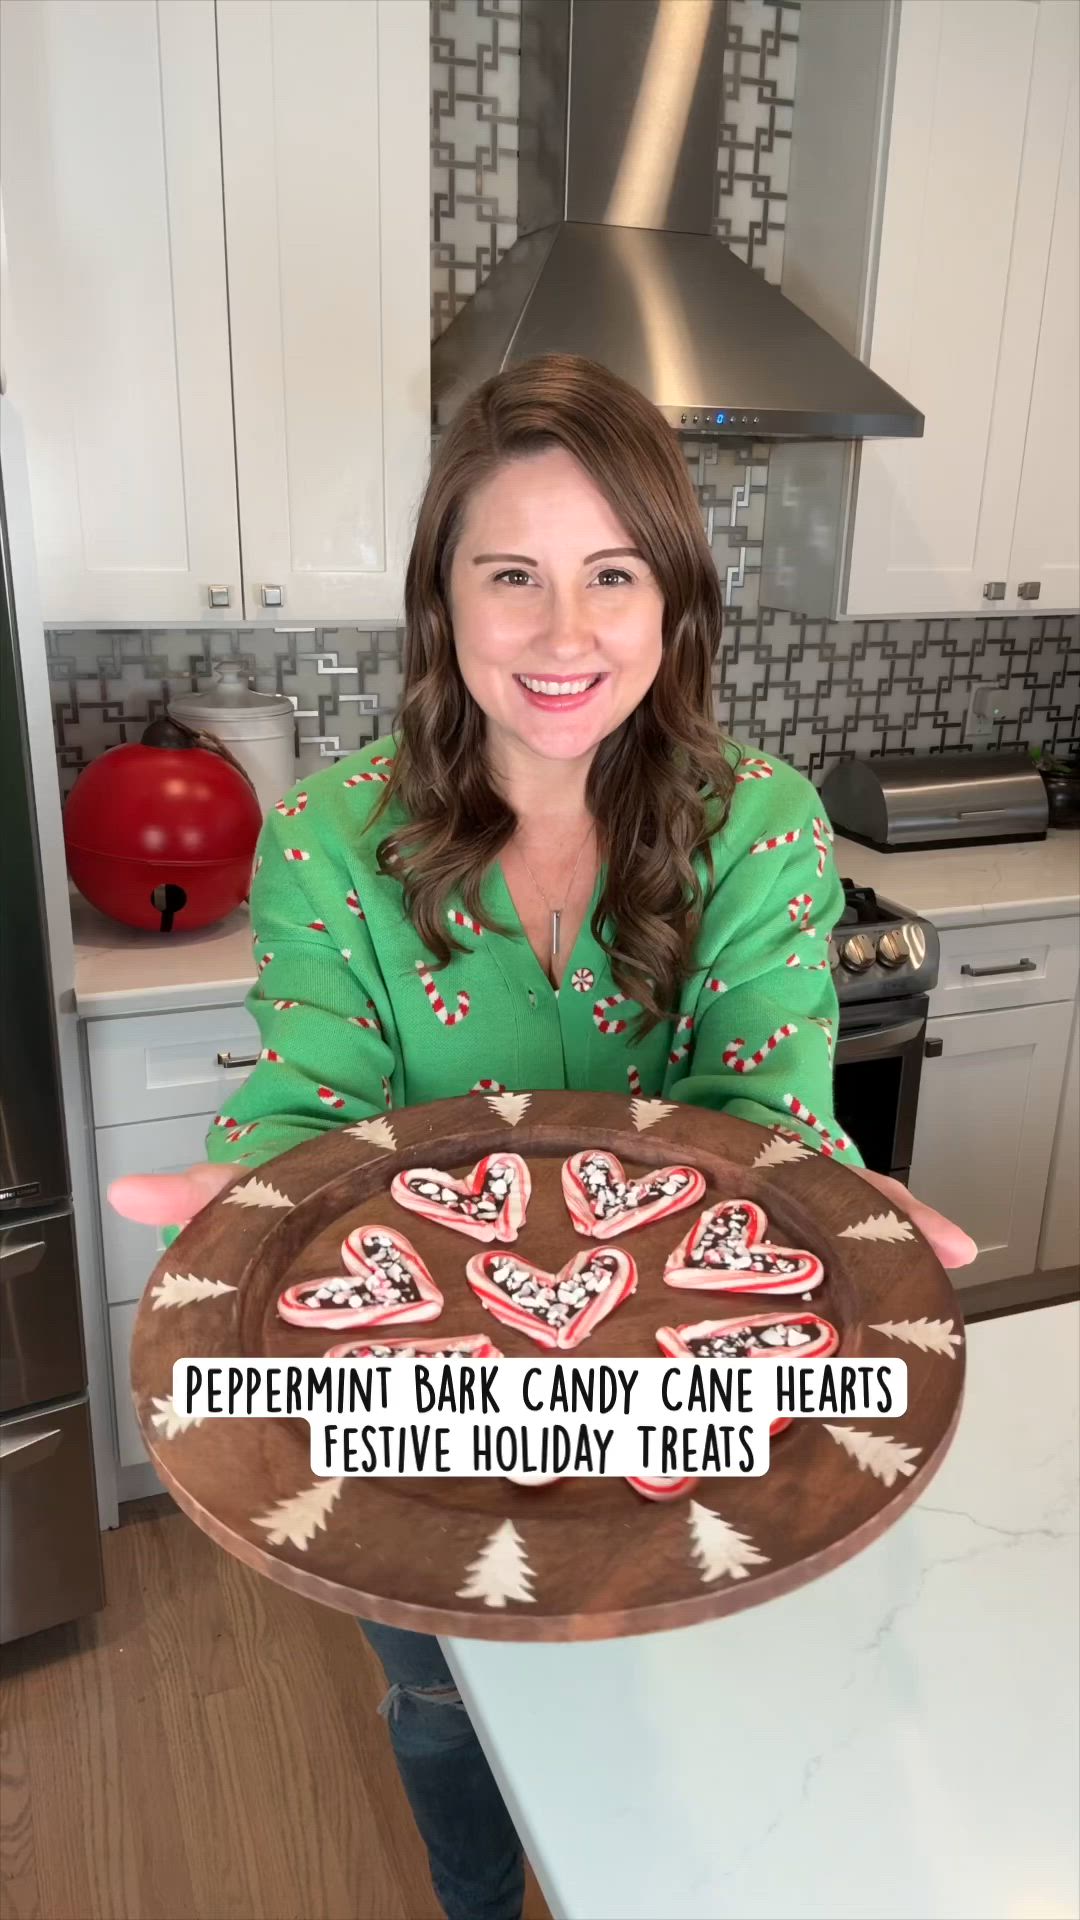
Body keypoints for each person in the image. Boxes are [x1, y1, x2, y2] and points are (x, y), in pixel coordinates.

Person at [110, 354, 976, 1920]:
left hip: (667, 1378)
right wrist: (254, 1187)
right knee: (441, 1696)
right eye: (512, 574)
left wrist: (826, 1196)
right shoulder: (329, 836)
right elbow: (311, 1098)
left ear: (672, 603)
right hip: (422, 1401)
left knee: (654, 1671)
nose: (564, 633)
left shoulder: (762, 819)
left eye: (610, 575)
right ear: (444, 603)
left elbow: (759, 1114)